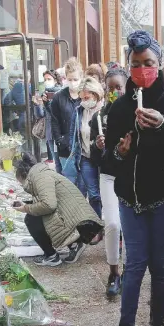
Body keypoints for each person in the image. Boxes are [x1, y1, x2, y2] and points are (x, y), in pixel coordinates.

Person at [104, 30, 164, 326]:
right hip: (130, 200)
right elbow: (109, 161)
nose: (142, 69)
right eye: (135, 64)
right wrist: (119, 150)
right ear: (128, 66)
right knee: (135, 266)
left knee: (161, 267)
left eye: (148, 63)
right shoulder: (118, 108)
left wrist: (163, 126)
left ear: (159, 64)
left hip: (163, 198)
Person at [13, 153, 104, 266]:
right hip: (75, 215)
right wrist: (26, 204)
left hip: (78, 219)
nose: (22, 185)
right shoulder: (40, 173)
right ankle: (75, 244)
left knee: (31, 220)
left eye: (20, 182)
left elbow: (49, 205)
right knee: (36, 214)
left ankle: (52, 256)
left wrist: (25, 208)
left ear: (23, 176)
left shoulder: (40, 178)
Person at [90, 67, 128, 297]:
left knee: (133, 229)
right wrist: (98, 146)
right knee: (112, 224)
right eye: (110, 87)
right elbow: (94, 159)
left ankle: (132, 271)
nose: (114, 91)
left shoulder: (137, 113)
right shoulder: (98, 116)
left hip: (133, 177)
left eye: (118, 87)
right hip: (109, 176)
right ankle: (113, 272)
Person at [68, 77, 103, 235]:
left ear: (95, 94)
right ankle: (97, 229)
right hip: (85, 157)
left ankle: (111, 227)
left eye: (86, 97)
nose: (83, 101)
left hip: (103, 158)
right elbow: (74, 133)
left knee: (105, 194)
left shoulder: (105, 110)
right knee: (93, 194)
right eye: (81, 98)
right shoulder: (80, 111)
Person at [51, 57, 84, 177]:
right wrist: (60, 141)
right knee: (69, 180)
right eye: (70, 79)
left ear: (81, 78)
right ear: (65, 78)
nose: (73, 82)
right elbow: (54, 121)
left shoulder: (85, 95)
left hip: (84, 147)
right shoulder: (58, 97)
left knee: (83, 183)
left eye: (76, 79)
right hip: (65, 147)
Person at [32, 70, 62, 172]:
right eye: (45, 79)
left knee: (61, 161)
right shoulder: (45, 94)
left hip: (60, 133)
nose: (46, 81)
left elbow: (58, 113)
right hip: (50, 133)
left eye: (49, 79)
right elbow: (41, 115)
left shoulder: (62, 93)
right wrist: (37, 104)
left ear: (56, 80)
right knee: (56, 163)